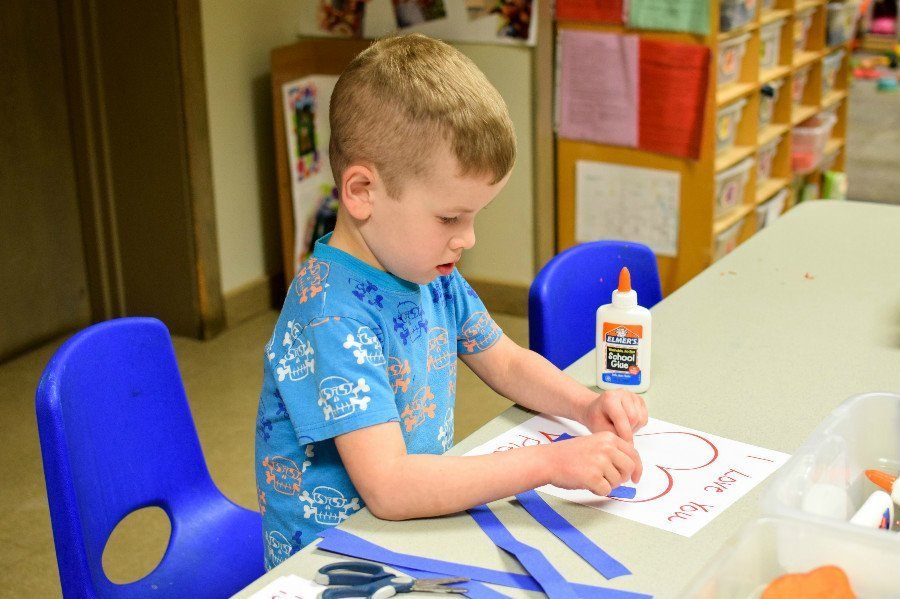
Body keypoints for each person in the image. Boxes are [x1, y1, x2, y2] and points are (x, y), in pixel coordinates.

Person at [254, 33, 648, 569]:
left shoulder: (424, 268)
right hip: (334, 559)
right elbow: (390, 488)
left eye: (473, 216)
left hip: (411, 527)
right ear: (363, 192)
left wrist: (583, 405)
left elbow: (504, 359)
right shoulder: (331, 313)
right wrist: (550, 462)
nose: (468, 238)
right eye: (449, 218)